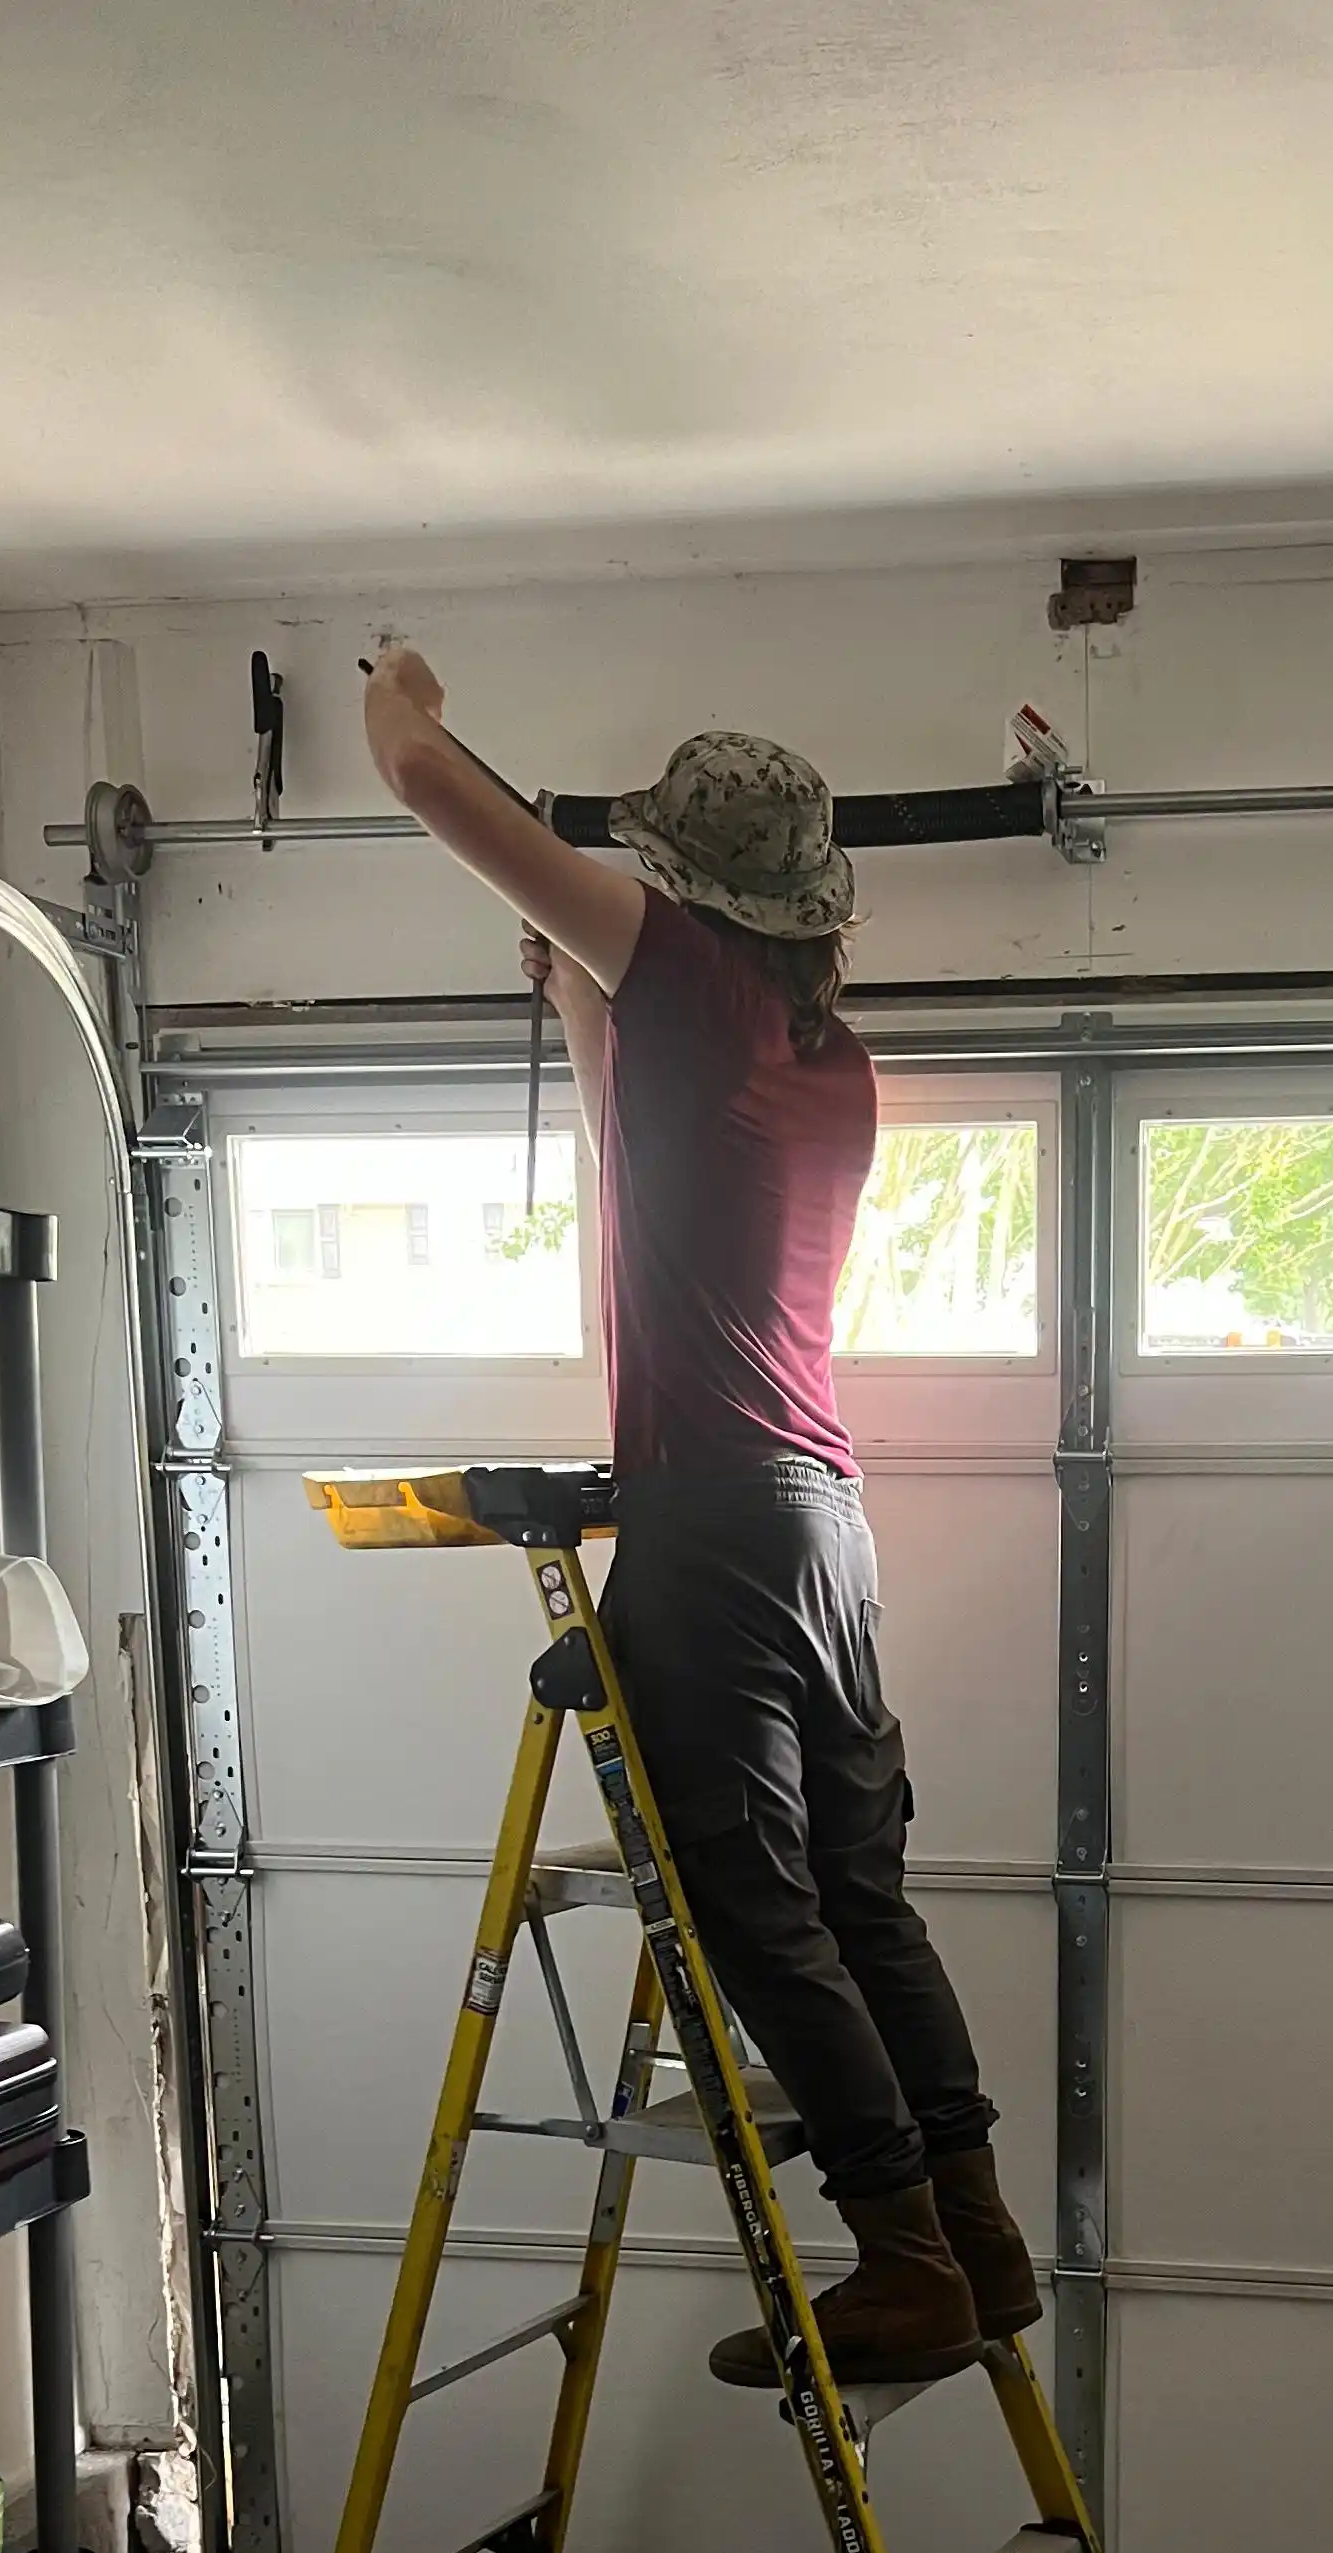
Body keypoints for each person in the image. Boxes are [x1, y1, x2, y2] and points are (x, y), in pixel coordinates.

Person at [359, 646, 1036, 2387]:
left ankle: (897, 2254)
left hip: (717, 1525)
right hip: (824, 1516)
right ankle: (972, 2230)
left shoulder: (686, 972)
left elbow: (432, 787)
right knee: (863, 1896)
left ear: (685, 884)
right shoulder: (827, 1058)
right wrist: (587, 1003)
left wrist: (412, 694)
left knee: (752, 1904)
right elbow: (637, 1155)